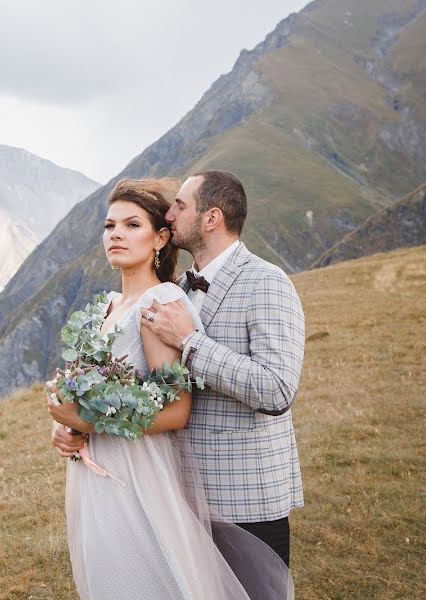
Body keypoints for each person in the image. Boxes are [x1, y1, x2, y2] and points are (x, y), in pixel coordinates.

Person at [47, 177, 292, 600]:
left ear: (161, 239)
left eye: (131, 225)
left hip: (145, 475)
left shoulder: (161, 303)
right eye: (109, 226)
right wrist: (72, 426)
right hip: (100, 473)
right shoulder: (110, 304)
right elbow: (113, 392)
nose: (116, 235)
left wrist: (89, 419)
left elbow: (177, 409)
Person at [141, 170, 305, 567]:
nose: (169, 215)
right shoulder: (176, 289)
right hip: (183, 500)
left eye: (180, 206)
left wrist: (191, 342)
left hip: (247, 503)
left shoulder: (267, 282)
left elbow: (277, 390)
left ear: (211, 218)